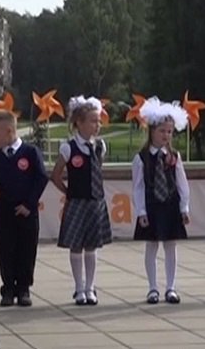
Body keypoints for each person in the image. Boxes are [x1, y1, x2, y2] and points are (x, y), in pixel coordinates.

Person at [0, 110, 49, 307]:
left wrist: (29, 203)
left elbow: (41, 178)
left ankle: (24, 288)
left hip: (27, 211)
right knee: (6, 250)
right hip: (5, 211)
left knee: (26, 250)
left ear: (9, 131)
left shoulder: (30, 152)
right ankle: (8, 288)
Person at [50, 96, 112, 306]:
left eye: (98, 121)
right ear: (79, 123)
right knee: (76, 245)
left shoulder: (100, 146)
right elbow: (56, 175)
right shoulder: (69, 148)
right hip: (77, 202)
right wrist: (68, 191)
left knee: (92, 246)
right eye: (93, 121)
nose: (97, 125)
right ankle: (79, 288)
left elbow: (97, 170)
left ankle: (90, 287)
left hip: (95, 203)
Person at [133, 98, 191, 305]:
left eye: (169, 131)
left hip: (170, 204)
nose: (166, 135)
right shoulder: (141, 158)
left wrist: (184, 207)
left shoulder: (174, 156)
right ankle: (152, 288)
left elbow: (182, 184)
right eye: (162, 131)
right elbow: (138, 186)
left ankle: (171, 287)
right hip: (151, 205)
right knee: (151, 245)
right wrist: (141, 211)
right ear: (151, 131)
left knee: (171, 245)